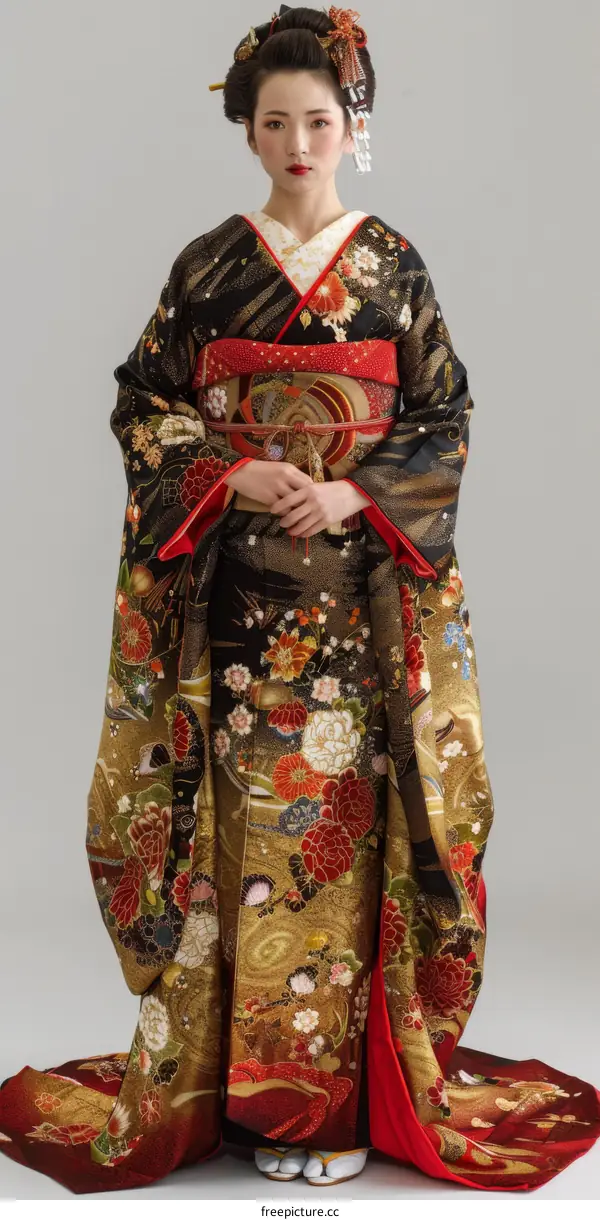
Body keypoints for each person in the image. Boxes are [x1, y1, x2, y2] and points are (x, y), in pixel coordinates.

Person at [1, 2, 599, 1196]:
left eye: (318, 121)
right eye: (274, 123)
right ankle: (235, 1090)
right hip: (235, 608)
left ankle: (328, 1103)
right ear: (247, 130)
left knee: (339, 839)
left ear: (351, 125)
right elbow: (144, 401)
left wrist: (358, 492)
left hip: (358, 606)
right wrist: (226, 473)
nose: (297, 144)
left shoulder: (393, 266)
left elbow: (443, 414)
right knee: (242, 834)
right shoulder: (209, 265)